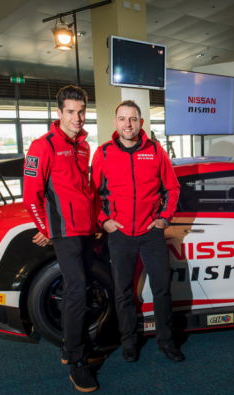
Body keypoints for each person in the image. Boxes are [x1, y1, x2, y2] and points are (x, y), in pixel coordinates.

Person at [92, 100, 183, 362]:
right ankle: (129, 342)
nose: (127, 124)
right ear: (115, 122)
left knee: (162, 289)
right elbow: (93, 194)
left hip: (151, 232)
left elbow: (173, 189)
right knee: (123, 291)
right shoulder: (104, 153)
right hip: (120, 234)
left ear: (141, 122)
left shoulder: (155, 151)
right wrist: (103, 220)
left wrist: (164, 218)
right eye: (122, 119)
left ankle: (166, 341)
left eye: (132, 119)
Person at [23, 85, 99, 392]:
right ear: (59, 113)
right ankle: (78, 362)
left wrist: (96, 222)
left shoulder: (83, 146)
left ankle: (70, 348)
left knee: (76, 291)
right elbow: (31, 195)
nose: (77, 118)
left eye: (81, 112)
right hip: (64, 232)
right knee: (77, 292)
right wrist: (45, 228)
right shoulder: (42, 146)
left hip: (86, 230)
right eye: (71, 111)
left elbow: (87, 190)